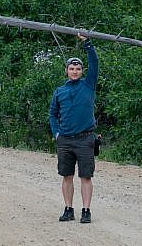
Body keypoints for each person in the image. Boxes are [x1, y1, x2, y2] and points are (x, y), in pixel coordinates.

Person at [49, 34, 99, 224]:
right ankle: (68, 209)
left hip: (85, 138)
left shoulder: (88, 85)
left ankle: (86, 210)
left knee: (86, 176)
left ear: (82, 71)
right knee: (66, 176)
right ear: (67, 71)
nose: (75, 71)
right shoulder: (60, 91)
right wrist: (56, 133)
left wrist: (87, 43)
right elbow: (53, 114)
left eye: (78, 68)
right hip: (65, 140)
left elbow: (94, 62)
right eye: (72, 68)